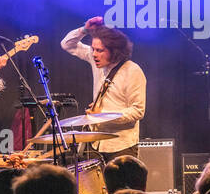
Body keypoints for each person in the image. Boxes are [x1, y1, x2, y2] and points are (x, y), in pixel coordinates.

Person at [60, 16, 146, 161]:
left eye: (99, 50)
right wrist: (85, 30)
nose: (94, 54)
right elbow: (67, 44)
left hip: (120, 145)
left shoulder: (132, 71)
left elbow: (138, 111)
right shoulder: (96, 60)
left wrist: (103, 115)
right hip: (96, 143)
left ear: (115, 51)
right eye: (93, 49)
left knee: (120, 184)